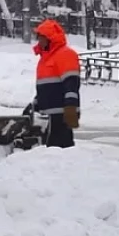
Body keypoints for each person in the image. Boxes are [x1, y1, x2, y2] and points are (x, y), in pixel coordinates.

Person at [30, 19, 81, 148]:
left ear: (50, 39)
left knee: (60, 150)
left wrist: (71, 107)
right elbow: (46, 87)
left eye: (41, 38)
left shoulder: (65, 55)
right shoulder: (46, 59)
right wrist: (35, 104)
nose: (39, 41)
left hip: (61, 114)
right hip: (48, 115)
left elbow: (71, 83)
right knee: (51, 151)